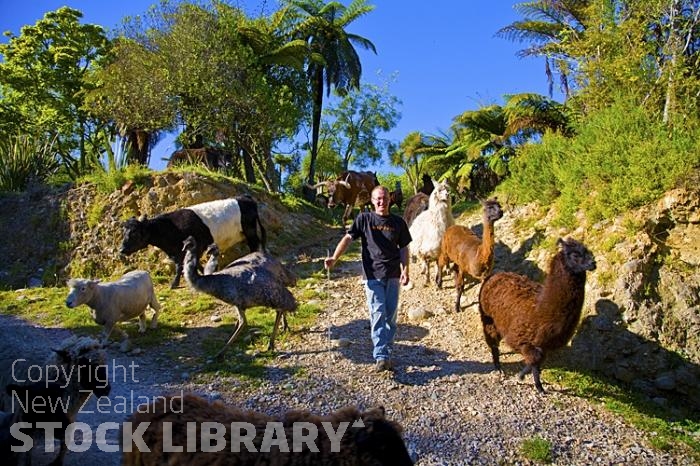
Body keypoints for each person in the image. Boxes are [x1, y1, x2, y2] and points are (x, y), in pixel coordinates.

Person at [324, 185, 412, 372]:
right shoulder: (364, 219)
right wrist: (335, 258)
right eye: (378, 198)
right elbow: (348, 238)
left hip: (393, 275)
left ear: (390, 199)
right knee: (378, 312)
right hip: (372, 275)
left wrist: (406, 270)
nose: (382, 201)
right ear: (372, 201)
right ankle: (380, 355)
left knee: (390, 316)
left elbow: (404, 248)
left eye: (385, 198)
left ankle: (387, 352)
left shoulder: (398, 222)